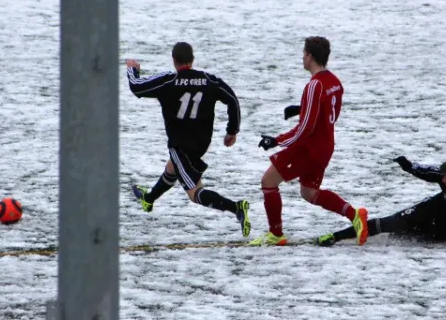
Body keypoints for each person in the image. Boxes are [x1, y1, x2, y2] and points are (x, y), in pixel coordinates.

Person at [251, 36, 368, 246]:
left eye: (304, 53)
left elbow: (306, 128)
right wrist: (301, 109)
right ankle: (355, 214)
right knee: (309, 192)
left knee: (268, 181)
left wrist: (276, 141)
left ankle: (276, 235)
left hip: (309, 148)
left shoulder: (314, 85)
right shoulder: (334, 82)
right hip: (325, 147)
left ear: (310, 57)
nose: (302, 57)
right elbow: (326, 113)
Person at [125, 42, 251, 238]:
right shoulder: (209, 80)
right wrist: (232, 131)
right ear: (192, 60)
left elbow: (137, 87)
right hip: (201, 144)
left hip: (180, 145)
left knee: (194, 193)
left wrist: (133, 70)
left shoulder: (168, 80)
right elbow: (232, 99)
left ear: (174, 61)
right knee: (172, 167)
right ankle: (149, 199)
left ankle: (236, 208)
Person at [316, 156, 446, 254]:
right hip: (434, 209)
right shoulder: (445, 177)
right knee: (392, 223)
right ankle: (336, 236)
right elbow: (426, 171)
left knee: (404, 238)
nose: (443, 180)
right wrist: (408, 166)